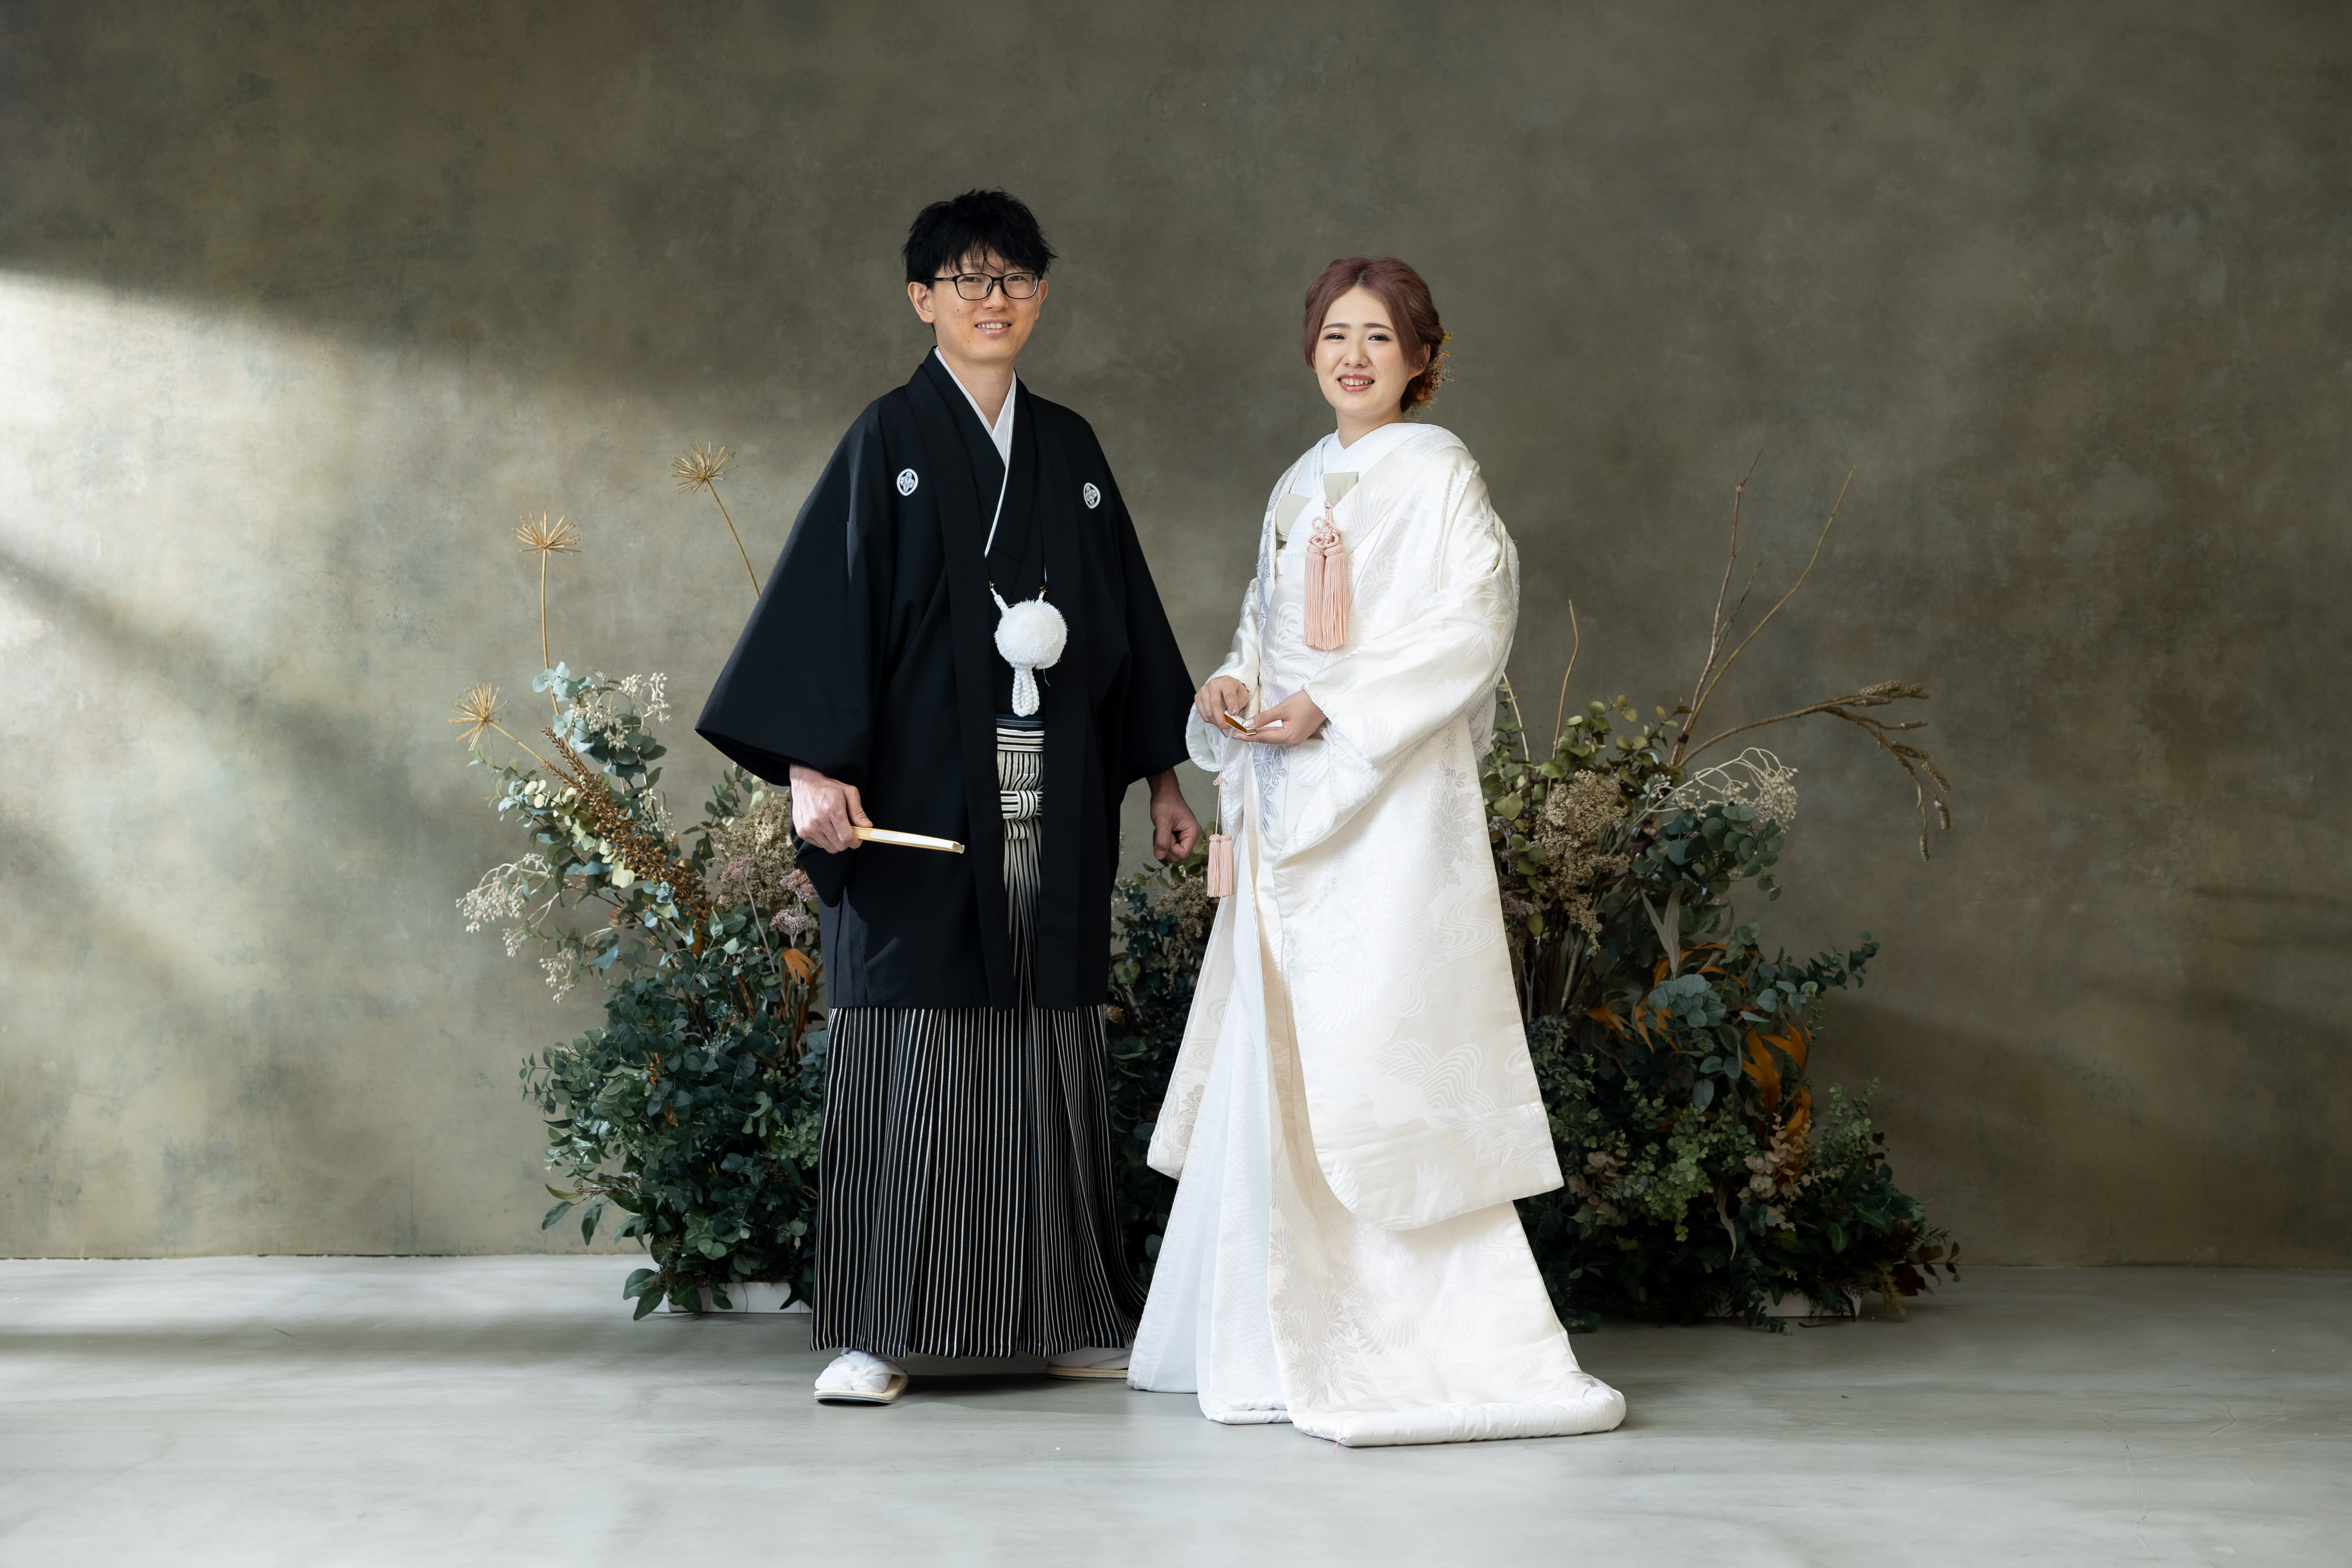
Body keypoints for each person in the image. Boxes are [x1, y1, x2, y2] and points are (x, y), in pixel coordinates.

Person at [697, 190, 1200, 1405]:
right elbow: (822, 611)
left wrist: (1161, 779)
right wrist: (809, 769)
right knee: (914, 1041)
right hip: (918, 799)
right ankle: (879, 1331)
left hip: (1049, 796)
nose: (993, 300)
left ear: (1041, 296)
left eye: (1015, 279)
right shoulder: (888, 440)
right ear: (922, 299)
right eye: (967, 280)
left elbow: (1125, 621)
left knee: (1046, 1043)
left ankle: (1066, 1313)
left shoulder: (1069, 450)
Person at [1126, 257, 1627, 1446]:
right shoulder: (1298, 480)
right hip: (1287, 798)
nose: (1352, 357)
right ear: (1310, 350)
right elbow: (1264, 623)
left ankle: (1411, 1330)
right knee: (1285, 1037)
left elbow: (1472, 621)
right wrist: (1238, 682)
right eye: (1334, 335)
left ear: (1419, 358)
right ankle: (1264, 1326)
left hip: (1385, 801)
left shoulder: (1439, 470)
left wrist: (1336, 705)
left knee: (1376, 1033)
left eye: (1378, 338)